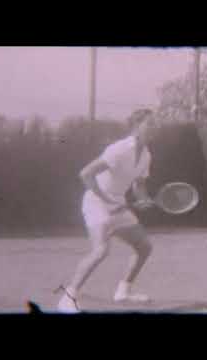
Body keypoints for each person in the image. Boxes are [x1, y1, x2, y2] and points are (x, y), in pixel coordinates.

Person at [56, 109, 158, 313]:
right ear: (137, 127)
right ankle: (67, 298)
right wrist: (108, 201)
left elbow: (139, 185)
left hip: (117, 203)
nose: (154, 128)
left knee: (144, 247)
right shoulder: (119, 149)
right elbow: (85, 174)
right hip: (96, 202)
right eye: (150, 124)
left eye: (156, 125)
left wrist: (144, 199)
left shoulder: (146, 155)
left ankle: (123, 291)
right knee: (101, 250)